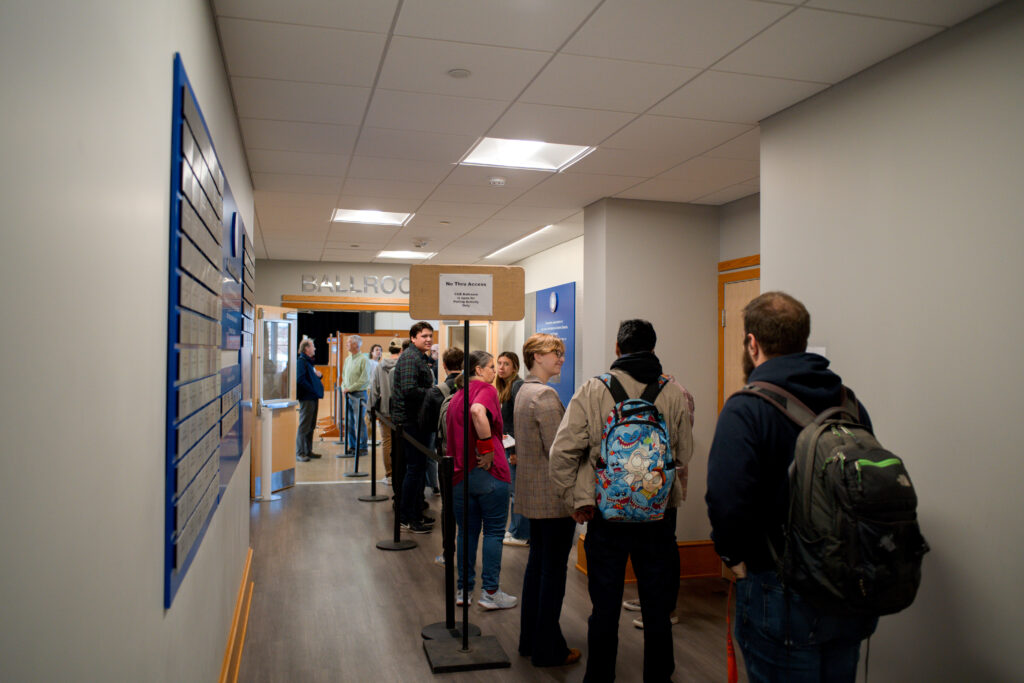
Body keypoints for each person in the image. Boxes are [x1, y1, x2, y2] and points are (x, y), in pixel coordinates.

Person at [705, 292, 878, 683]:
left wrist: (733, 556)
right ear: (803, 338)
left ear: (753, 343)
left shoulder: (746, 408)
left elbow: (726, 499)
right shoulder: (849, 403)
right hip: (847, 588)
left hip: (777, 590)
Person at [550, 319, 693, 683]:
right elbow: (684, 452)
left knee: (605, 606)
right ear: (653, 348)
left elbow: (562, 453)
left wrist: (577, 501)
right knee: (657, 607)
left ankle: (600, 677)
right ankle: (659, 676)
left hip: (606, 513)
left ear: (617, 348)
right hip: (658, 516)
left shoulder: (593, 390)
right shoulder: (674, 392)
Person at [513, 334, 581, 667]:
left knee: (538, 568)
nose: (562, 358)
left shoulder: (523, 390)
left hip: (532, 495)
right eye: (557, 353)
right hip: (553, 499)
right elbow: (560, 452)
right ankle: (548, 648)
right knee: (552, 574)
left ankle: (530, 640)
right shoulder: (545, 395)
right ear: (537, 355)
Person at [445, 350, 517, 610]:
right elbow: (478, 412)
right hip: (488, 473)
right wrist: (486, 448)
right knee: (494, 533)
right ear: (478, 370)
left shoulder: (456, 397)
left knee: (466, 532)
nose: (493, 371)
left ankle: (464, 590)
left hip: (460, 475)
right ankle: (490, 592)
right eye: (489, 367)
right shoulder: (484, 391)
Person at [392, 322, 436, 534]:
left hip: (417, 421)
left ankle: (415, 512)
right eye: (424, 336)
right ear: (413, 338)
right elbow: (410, 390)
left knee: (417, 471)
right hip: (411, 422)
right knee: (414, 470)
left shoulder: (418, 357)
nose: (428, 339)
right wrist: (433, 393)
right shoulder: (411, 358)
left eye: (430, 336)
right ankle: (407, 516)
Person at [496, 351, 529, 547]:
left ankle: (521, 533)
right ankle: (515, 529)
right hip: (507, 445)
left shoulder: (517, 385)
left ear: (515, 367)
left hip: (514, 447)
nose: (501, 367)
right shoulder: (505, 386)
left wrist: (515, 450)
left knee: (517, 491)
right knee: (512, 490)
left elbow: (518, 420)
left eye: (506, 364)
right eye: (499, 363)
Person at [368, 340, 401, 485]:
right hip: (400, 411)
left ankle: (389, 475)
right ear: (401, 350)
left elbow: (374, 389)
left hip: (384, 411)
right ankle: (400, 473)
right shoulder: (404, 365)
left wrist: (370, 410)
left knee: (387, 442)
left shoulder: (380, 366)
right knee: (400, 443)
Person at [295, 337, 324, 462]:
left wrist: (319, 376)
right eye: (313, 346)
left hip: (312, 397)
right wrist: (312, 389)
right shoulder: (301, 362)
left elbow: (313, 376)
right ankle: (300, 452)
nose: (315, 348)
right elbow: (300, 380)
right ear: (307, 348)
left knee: (311, 426)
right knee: (304, 426)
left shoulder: (308, 362)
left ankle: (308, 451)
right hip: (307, 398)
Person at [341, 335, 370, 457]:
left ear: (356, 345)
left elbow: (364, 380)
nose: (346, 344)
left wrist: (349, 388)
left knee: (359, 421)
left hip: (358, 394)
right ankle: (352, 446)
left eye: (349, 342)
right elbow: (343, 377)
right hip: (348, 394)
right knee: (349, 421)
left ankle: (363, 447)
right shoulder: (348, 359)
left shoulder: (364, 360)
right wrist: (344, 388)